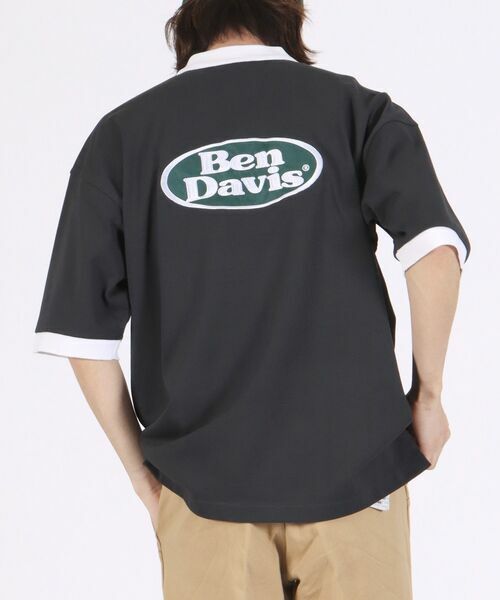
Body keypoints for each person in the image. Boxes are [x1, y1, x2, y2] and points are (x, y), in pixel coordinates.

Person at [33, 0, 470, 598]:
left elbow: (83, 338)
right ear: (287, 15)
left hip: (202, 492)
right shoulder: (357, 110)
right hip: (358, 474)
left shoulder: (122, 138)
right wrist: (429, 396)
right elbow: (435, 251)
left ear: (189, 23)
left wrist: (143, 478)